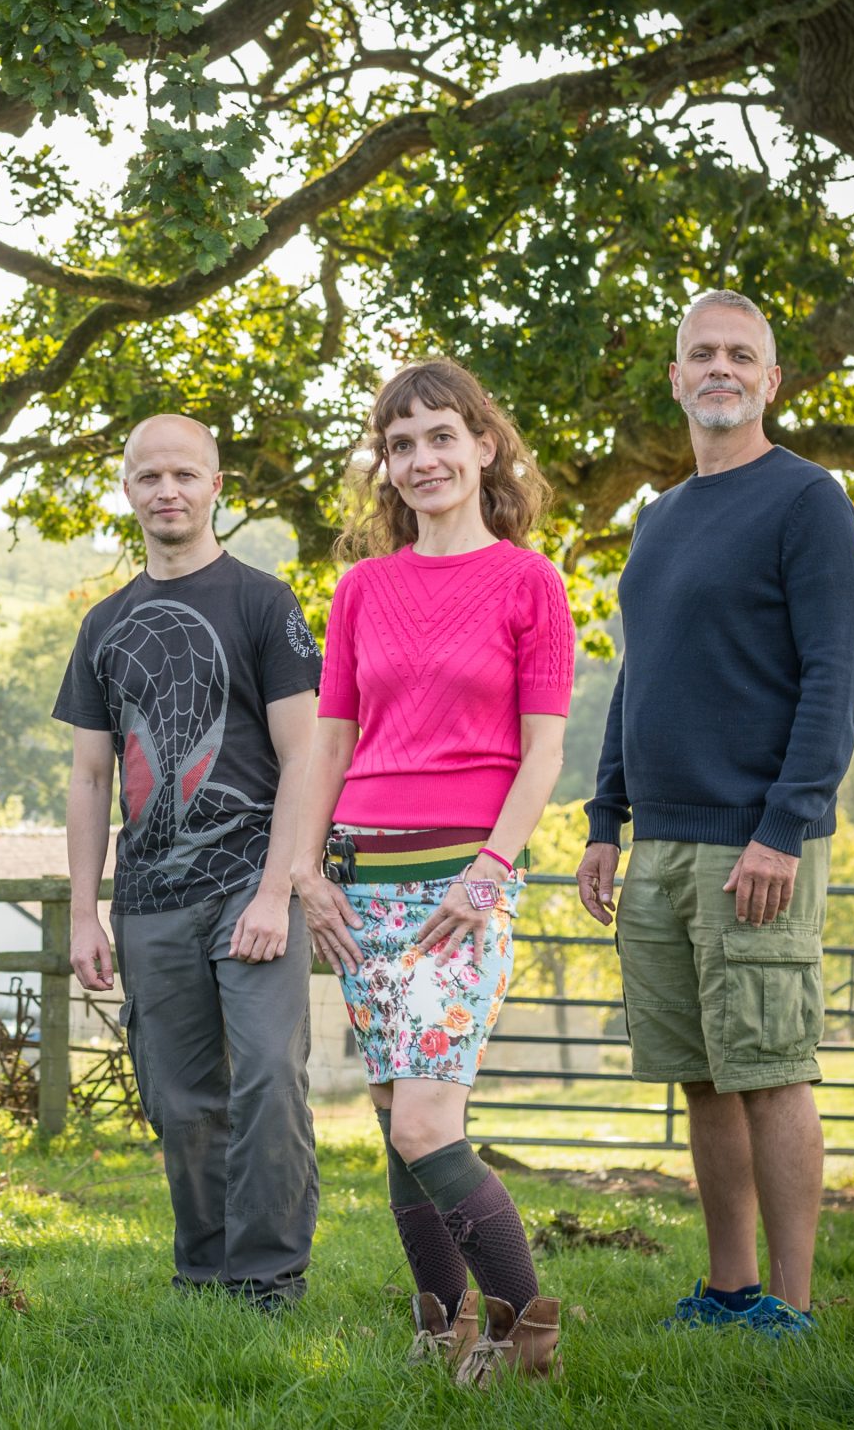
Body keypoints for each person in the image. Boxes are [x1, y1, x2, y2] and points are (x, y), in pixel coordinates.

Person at [574, 289, 854, 1339]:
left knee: (770, 1068)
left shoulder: (807, 502)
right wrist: (605, 818)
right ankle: (729, 1289)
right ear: (674, 376)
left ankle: (790, 1305)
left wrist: (784, 824)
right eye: (701, 353)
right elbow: (636, 677)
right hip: (659, 840)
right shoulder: (657, 517)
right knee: (701, 1074)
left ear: (771, 380)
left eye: (741, 356)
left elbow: (834, 681)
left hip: (756, 841)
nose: (720, 369)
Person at [287, 360, 574, 1385]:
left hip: (460, 893)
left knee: (424, 1122)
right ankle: (437, 1324)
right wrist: (307, 874)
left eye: (440, 437)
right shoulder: (362, 588)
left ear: (483, 446)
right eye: (399, 445)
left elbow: (542, 752)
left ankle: (517, 1334)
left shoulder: (529, 582)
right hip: (359, 887)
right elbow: (327, 745)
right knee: (391, 1122)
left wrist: (492, 869)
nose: (421, 461)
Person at [54, 414, 323, 1310]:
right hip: (151, 899)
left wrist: (280, 891)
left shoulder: (263, 602)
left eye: (185, 475)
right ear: (127, 491)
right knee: (179, 1097)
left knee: (272, 1080)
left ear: (217, 488)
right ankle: (205, 1276)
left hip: (254, 886)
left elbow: (307, 758)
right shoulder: (104, 623)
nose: (167, 491)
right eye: (148, 477)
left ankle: (269, 1277)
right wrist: (86, 912)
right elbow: (91, 778)